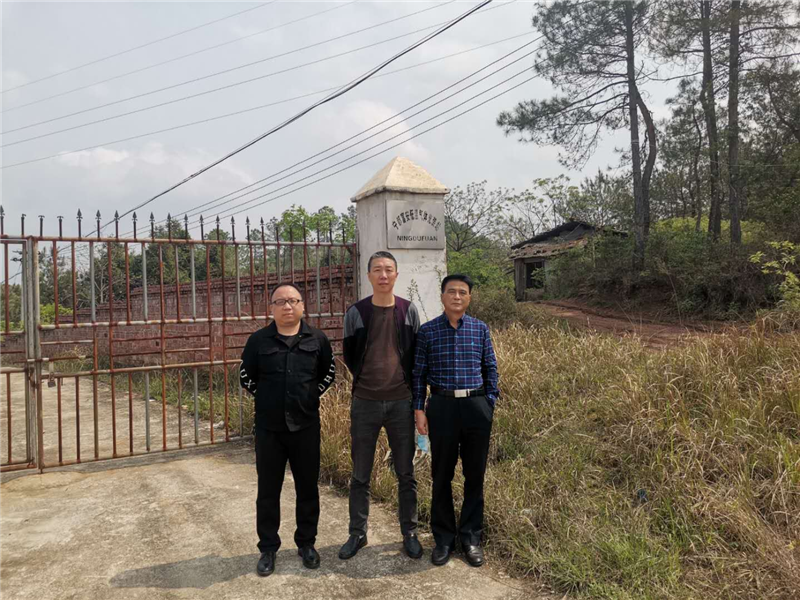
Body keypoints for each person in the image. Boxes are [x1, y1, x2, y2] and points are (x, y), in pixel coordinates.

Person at [240, 283, 336, 577]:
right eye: (280, 301)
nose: (287, 306)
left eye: (293, 300)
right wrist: (270, 399)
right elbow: (246, 377)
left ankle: (307, 543)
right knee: (268, 490)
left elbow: (328, 374)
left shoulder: (317, 339)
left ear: (302, 305)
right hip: (269, 429)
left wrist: (308, 397)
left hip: (305, 426)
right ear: (271, 308)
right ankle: (268, 548)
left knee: (307, 488)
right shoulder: (258, 341)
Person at [339, 251, 423, 560]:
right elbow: (350, 355)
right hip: (365, 403)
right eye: (377, 270)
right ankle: (357, 533)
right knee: (360, 474)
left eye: (388, 269)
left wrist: (417, 400)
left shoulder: (408, 310)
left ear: (396, 275)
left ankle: (409, 533)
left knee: (406, 473)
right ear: (369, 275)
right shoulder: (356, 312)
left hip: (401, 403)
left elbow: (417, 356)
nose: (383, 275)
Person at [412, 274, 499, 568]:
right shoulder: (428, 331)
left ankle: (471, 538)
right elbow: (418, 374)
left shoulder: (480, 329)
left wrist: (489, 402)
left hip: (476, 406)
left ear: (469, 298)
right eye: (452, 292)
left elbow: (490, 367)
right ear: (442, 296)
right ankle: (444, 539)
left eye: (463, 292)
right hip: (442, 406)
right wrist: (419, 409)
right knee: (441, 475)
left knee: (475, 475)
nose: (457, 297)